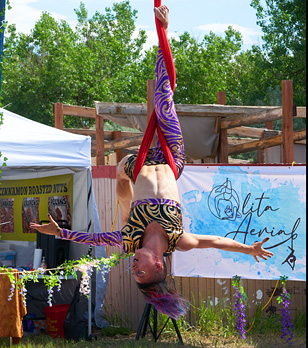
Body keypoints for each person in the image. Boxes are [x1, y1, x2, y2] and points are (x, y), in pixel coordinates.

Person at [30, 5, 274, 319]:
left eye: (135, 273)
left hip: (139, 162)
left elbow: (93, 238)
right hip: (173, 160)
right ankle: (163, 31)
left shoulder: (129, 238)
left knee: (123, 174)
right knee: (163, 98)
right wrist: (249, 249)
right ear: (159, 265)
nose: (133, 267)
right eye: (141, 272)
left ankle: (122, 180)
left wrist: (60, 232)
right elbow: (215, 241)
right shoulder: (180, 240)